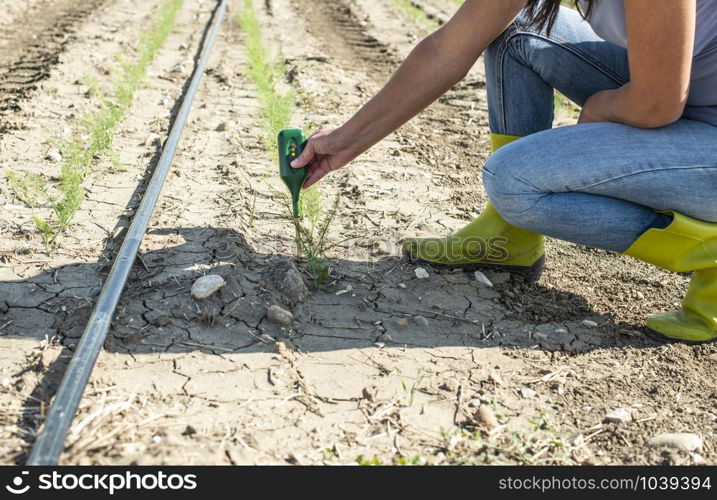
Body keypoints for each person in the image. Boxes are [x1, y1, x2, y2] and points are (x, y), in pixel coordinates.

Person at [290, 0, 717, 344]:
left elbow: (655, 104)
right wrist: (347, 140)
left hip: (697, 128)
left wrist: (600, 107)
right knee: (516, 31)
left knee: (513, 181)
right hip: (686, 100)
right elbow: (448, 47)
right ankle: (507, 238)